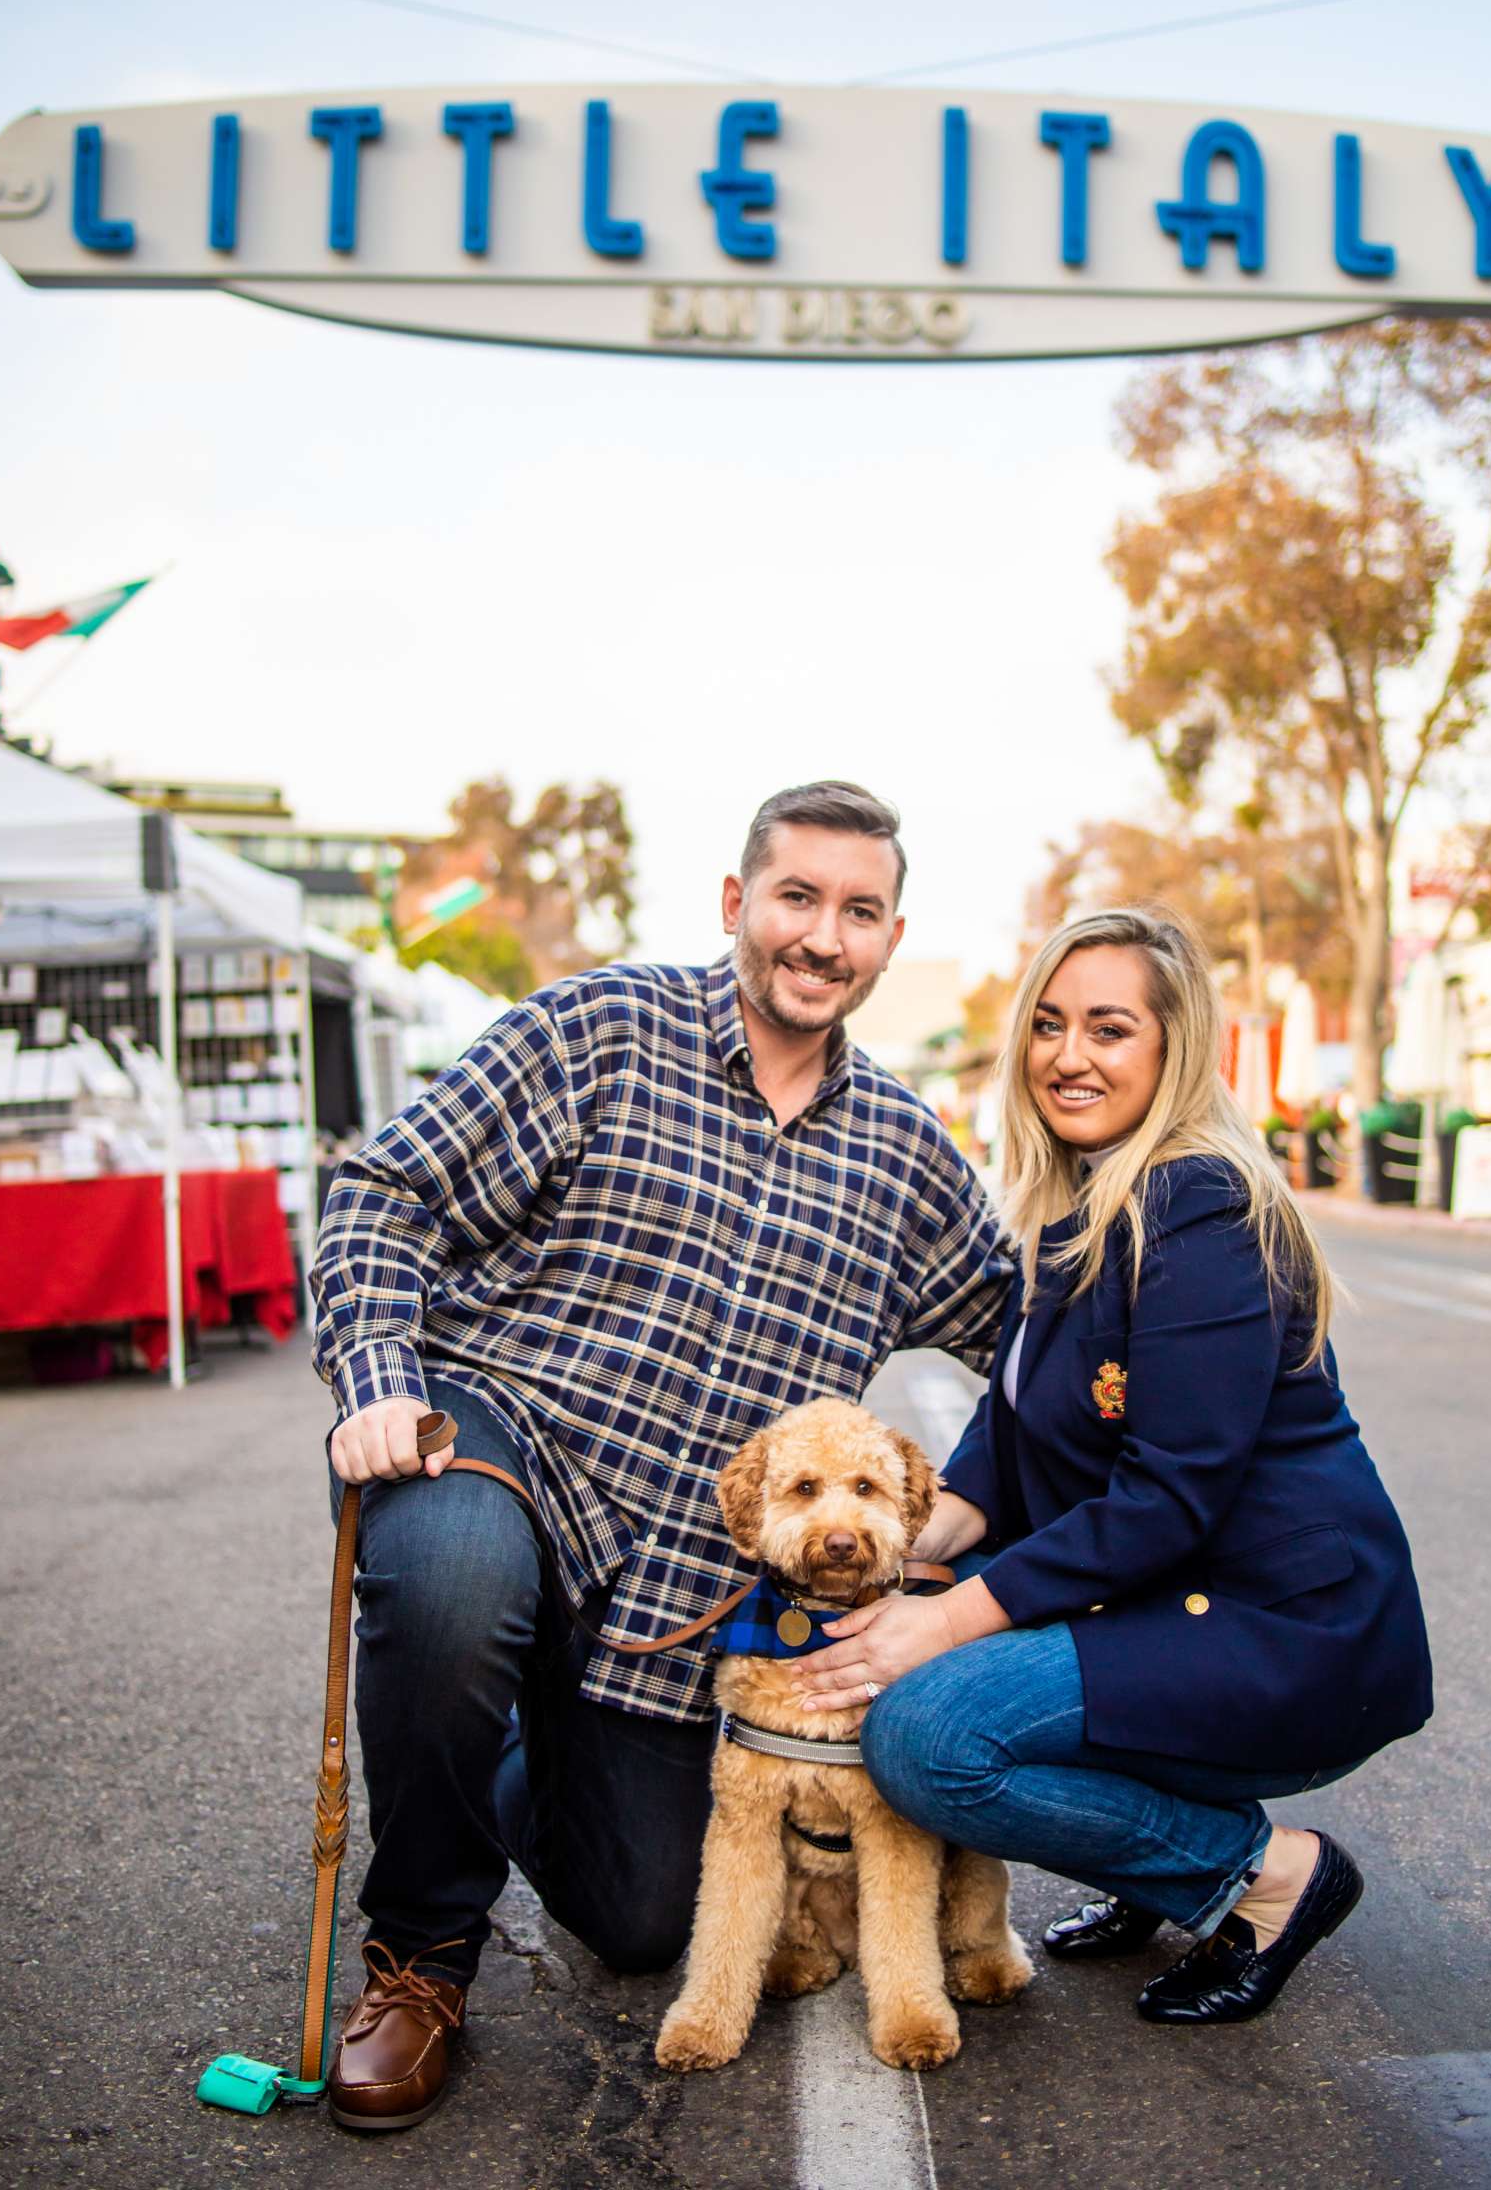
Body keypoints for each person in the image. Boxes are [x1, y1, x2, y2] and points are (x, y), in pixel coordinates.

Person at [309, 781, 1014, 2129]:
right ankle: (421, 1955)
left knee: (638, 1918)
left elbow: (1029, 1345)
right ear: (739, 903)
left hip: (677, 1605)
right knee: (457, 1586)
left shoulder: (909, 1156)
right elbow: (382, 1196)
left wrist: (980, 1498)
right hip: (509, 1457)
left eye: (858, 912)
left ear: (888, 934)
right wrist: (380, 1384)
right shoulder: (600, 1031)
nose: (823, 935)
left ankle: (495, 1726)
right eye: (798, 898)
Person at [794, 905, 1433, 2025]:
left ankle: (1261, 1878)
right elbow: (1012, 1421)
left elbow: (1169, 1496)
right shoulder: (1073, 1203)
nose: (1068, 1056)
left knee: (928, 1738)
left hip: (1284, 1623)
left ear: (1171, 1047)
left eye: (1107, 1028)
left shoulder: (1198, 1210)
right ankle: (1145, 1871)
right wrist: (926, 1539)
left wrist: (947, 1623)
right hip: (1167, 1598)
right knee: (931, 1611)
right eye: (1047, 1025)